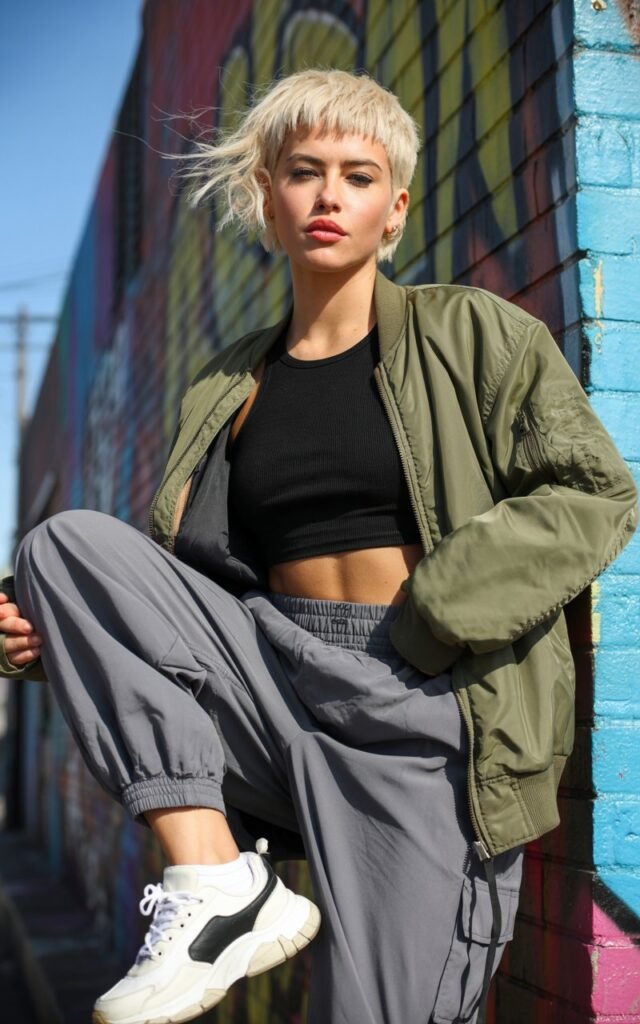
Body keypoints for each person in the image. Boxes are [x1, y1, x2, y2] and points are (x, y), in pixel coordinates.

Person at [0, 68, 637, 1024]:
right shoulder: (228, 382)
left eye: (359, 174)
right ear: (267, 192)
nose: (330, 195)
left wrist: (434, 615)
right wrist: (52, 637)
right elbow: (188, 592)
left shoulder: (472, 334)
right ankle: (218, 883)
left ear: (396, 208)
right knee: (61, 551)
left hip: (424, 707)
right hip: (276, 675)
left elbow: (593, 491)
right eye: (304, 171)